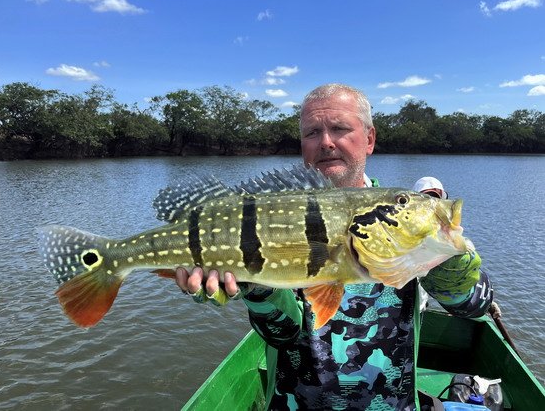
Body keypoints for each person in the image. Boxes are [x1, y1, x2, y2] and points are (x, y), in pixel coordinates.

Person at [176, 84, 493, 410]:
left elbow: (473, 305)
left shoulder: (406, 223)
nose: (326, 142)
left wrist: (445, 252)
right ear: (302, 145)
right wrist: (255, 289)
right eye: (312, 132)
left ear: (369, 139)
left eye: (340, 128)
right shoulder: (276, 216)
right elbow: (283, 335)